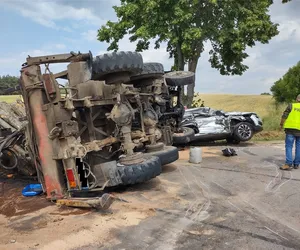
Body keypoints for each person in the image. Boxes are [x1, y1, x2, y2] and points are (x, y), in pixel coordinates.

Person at [280, 94, 300, 170]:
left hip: (290, 130)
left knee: (289, 146)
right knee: (299, 147)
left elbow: (284, 116)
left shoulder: (291, 106)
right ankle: (296, 164)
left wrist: (281, 124)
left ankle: (288, 163)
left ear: (297, 99)